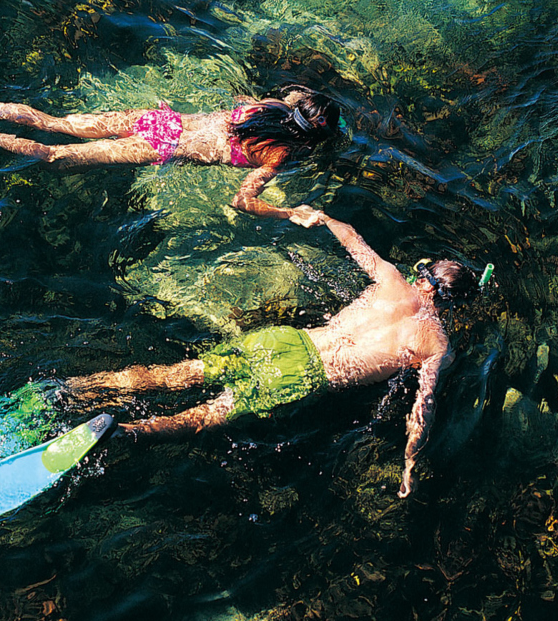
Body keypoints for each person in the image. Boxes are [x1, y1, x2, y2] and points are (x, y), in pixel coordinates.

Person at [63, 209, 481, 497]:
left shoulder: (391, 278)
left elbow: (351, 234)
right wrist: (410, 461)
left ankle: (80, 387)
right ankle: (125, 432)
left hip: (285, 340)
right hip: (303, 377)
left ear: (425, 276)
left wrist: (320, 216)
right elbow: (421, 405)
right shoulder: (436, 343)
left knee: (183, 372)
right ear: (452, 302)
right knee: (206, 416)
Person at [0, 85, 346, 221]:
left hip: (160, 120)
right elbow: (242, 200)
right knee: (52, 155)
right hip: (162, 145)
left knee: (54, 122)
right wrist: (287, 212)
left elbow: (243, 99)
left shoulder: (264, 107)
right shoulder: (277, 155)